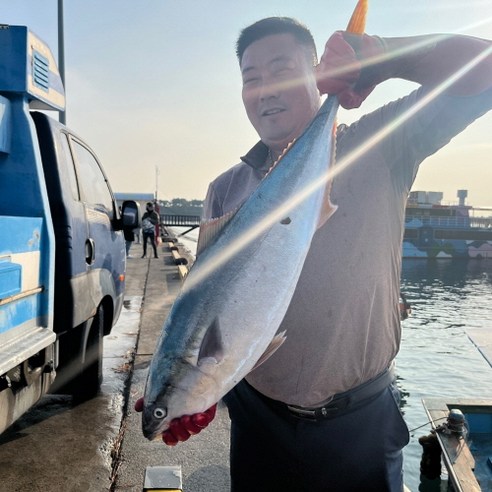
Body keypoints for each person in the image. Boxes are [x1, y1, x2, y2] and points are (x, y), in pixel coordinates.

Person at [136, 16, 492, 491]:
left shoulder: (382, 143)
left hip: (360, 425)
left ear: (316, 72)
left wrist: (383, 55)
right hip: (260, 427)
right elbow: (217, 315)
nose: (266, 90)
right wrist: (206, 395)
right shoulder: (225, 190)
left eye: (282, 70)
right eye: (251, 78)